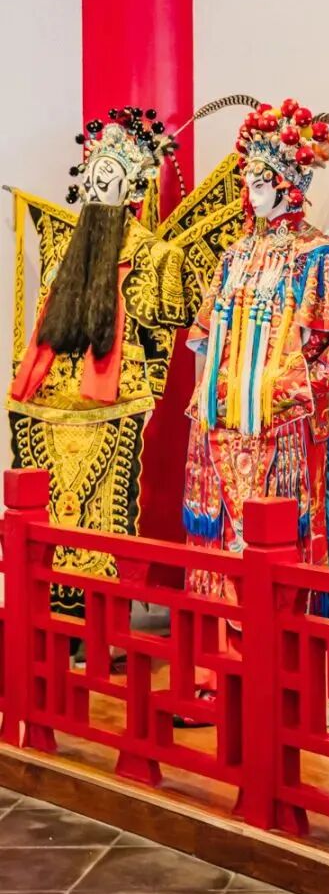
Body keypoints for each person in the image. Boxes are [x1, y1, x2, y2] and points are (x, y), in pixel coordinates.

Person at [182, 100, 329, 705]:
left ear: (290, 184)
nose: (251, 189)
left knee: (282, 543)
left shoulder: (317, 255)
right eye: (249, 178)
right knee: (217, 541)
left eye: (262, 179)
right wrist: (213, 394)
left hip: (285, 433)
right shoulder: (235, 256)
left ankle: (285, 681)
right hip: (221, 426)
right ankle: (221, 676)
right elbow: (203, 335)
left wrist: (297, 388)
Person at [9, 109, 185, 617]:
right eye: (89, 177)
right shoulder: (68, 249)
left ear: (131, 188)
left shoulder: (155, 256)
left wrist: (146, 389)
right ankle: (53, 613)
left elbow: (163, 333)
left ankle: (103, 616)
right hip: (52, 405)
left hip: (113, 404)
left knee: (105, 514)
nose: (92, 187)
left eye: (105, 177)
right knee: (47, 509)